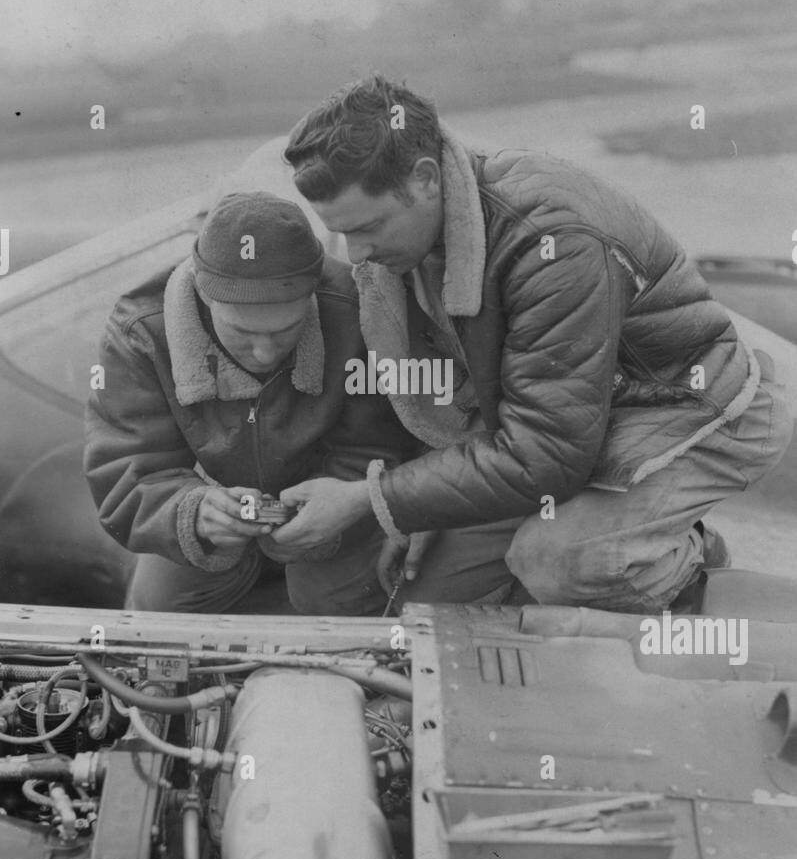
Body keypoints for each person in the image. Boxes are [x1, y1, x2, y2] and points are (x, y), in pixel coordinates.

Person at [267, 75, 794, 614]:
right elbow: (480, 399)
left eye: (369, 227)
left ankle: (690, 561)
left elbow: (548, 455)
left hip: (688, 409)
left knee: (557, 562)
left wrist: (373, 497)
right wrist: (414, 507)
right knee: (419, 598)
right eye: (343, 233)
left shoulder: (552, 242)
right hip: (562, 420)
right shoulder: (414, 240)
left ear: (425, 179)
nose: (355, 255)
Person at [84, 191, 418, 616]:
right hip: (203, 500)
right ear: (204, 299)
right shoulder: (141, 333)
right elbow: (127, 467)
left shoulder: (356, 310)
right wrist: (193, 513)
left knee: (348, 603)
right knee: (156, 608)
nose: (264, 353)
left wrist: (338, 510)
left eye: (286, 330)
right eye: (242, 332)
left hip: (333, 506)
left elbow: (378, 444)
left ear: (313, 296)